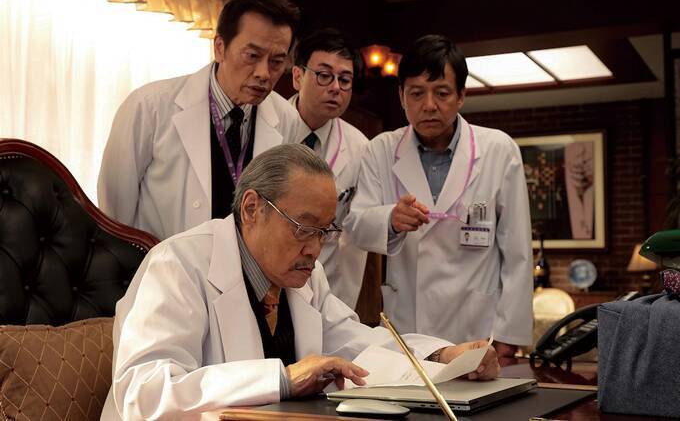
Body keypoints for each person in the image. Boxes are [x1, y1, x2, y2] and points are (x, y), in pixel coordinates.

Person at [101, 144, 500, 420]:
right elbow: (144, 393)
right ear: (252, 208)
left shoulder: (304, 275)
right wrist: (282, 379)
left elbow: (356, 343)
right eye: (303, 228)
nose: (315, 249)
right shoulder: (178, 265)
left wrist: (441, 356)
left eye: (324, 231)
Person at [345, 35, 533, 357]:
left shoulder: (499, 150)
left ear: (461, 96)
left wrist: (509, 334)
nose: (429, 105)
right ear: (401, 96)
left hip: (477, 323)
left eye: (442, 93)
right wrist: (390, 219)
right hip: (410, 323)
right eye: (417, 93)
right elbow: (355, 226)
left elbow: (517, 252)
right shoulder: (381, 150)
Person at [97, 0, 301, 240]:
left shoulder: (287, 120)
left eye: (276, 62)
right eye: (252, 56)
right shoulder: (149, 107)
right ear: (220, 48)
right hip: (159, 262)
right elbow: (114, 217)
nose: (264, 73)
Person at [289, 28, 369, 308]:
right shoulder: (266, 129)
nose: (335, 87)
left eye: (344, 80)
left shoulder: (360, 147)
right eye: (324, 75)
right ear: (297, 77)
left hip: (331, 288)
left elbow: (361, 223)